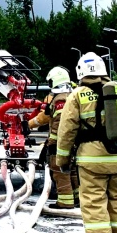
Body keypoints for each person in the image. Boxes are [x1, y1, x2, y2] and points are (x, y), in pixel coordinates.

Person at [56, 52, 117, 233]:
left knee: (94, 204)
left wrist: (62, 161)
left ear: (81, 72)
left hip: (92, 162)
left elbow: (66, 132)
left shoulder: (77, 95)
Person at [32, 66, 78, 209]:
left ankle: (65, 201)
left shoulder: (60, 99)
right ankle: (77, 198)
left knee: (59, 170)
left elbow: (59, 124)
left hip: (60, 142)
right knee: (72, 171)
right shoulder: (71, 94)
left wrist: (53, 143)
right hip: (73, 141)